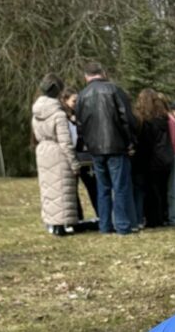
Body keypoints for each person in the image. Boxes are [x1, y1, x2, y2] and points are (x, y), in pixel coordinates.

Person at [74, 61, 137, 236]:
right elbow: (126, 118)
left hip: (95, 148)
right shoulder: (114, 90)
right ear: (102, 73)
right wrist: (130, 141)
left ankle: (105, 225)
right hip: (116, 145)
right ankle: (123, 226)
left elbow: (80, 125)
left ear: (86, 76)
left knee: (103, 187)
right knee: (120, 186)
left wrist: (87, 143)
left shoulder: (81, 96)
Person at [31, 74, 79, 237]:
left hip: (43, 151)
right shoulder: (58, 115)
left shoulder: (36, 113)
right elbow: (65, 141)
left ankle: (51, 222)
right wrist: (74, 163)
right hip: (57, 152)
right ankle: (63, 223)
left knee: (48, 190)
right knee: (62, 189)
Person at [132, 89, 173, 229]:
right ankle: (163, 216)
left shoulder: (147, 122)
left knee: (150, 190)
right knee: (162, 189)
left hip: (151, 159)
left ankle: (153, 219)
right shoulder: (164, 119)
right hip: (165, 158)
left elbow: (146, 144)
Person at [60, 86, 98, 222]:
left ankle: (101, 215)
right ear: (65, 101)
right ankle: (77, 217)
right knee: (72, 190)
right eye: (74, 101)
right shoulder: (62, 118)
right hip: (72, 157)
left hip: (86, 158)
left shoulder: (82, 115)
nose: (77, 104)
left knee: (94, 187)